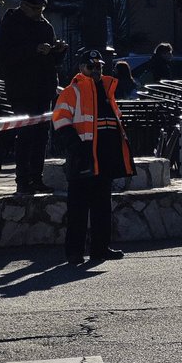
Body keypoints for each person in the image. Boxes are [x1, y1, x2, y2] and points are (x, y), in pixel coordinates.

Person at [52, 49, 136, 267]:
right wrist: (76, 147)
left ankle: (100, 249)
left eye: (99, 66)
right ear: (81, 68)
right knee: (78, 208)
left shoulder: (107, 89)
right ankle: (74, 253)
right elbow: (60, 120)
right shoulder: (72, 91)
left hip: (104, 158)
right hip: (83, 157)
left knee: (102, 207)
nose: (96, 70)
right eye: (91, 66)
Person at [0, 0, 67, 194]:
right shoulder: (11, 24)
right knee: (26, 133)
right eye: (35, 9)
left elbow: (53, 61)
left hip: (44, 87)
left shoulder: (45, 25)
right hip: (21, 89)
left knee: (41, 136)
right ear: (24, 5)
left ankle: (37, 177)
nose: (38, 13)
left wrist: (59, 51)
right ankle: (23, 180)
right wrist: (33, 50)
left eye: (41, 9)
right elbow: (4, 56)